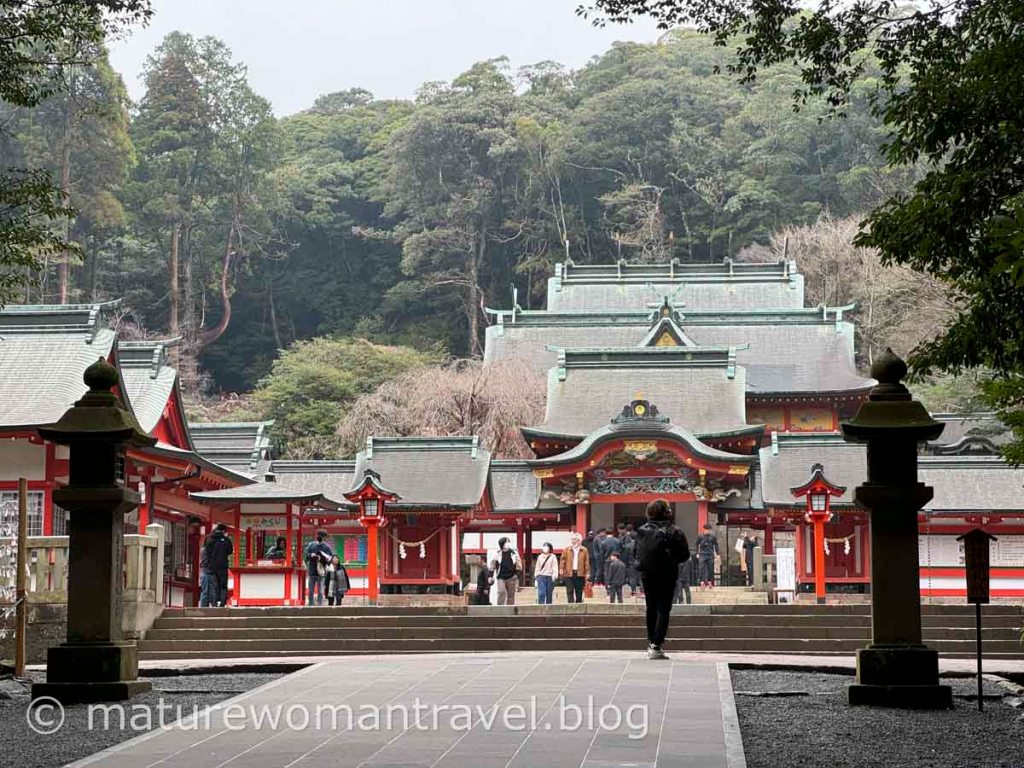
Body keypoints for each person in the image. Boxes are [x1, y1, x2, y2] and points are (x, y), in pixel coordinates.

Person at [636, 498, 689, 660]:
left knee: (650, 607)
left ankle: (651, 641)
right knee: (664, 608)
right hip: (667, 573)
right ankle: (656, 644)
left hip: (647, 574)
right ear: (666, 512)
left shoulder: (641, 530)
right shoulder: (675, 531)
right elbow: (684, 554)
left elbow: (636, 553)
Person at [200, 523, 233, 607]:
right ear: (223, 531)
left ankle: (213, 603)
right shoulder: (226, 540)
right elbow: (230, 551)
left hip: (211, 567)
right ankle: (222, 603)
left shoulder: (208, 538)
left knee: (212, 586)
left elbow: (206, 551)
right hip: (222, 566)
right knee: (223, 586)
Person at [304, 529, 333, 606]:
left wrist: (323, 557)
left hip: (321, 571)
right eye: (319, 535)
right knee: (311, 590)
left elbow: (330, 559)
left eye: (322, 536)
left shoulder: (327, 547)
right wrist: (311, 555)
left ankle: (320, 605)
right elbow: (306, 555)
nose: (319, 537)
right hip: (312, 570)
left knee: (320, 591)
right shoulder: (311, 545)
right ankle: (311, 604)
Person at [560, 532, 590, 603]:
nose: (573, 541)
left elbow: (586, 562)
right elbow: (562, 560)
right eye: (572, 539)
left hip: (580, 573)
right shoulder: (567, 550)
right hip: (569, 572)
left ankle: (578, 606)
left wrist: (587, 572)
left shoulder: (584, 550)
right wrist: (561, 568)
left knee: (579, 591)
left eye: (575, 539)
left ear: (579, 540)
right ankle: (571, 605)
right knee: (569, 590)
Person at [495, 536, 522, 605]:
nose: (508, 543)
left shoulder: (513, 553)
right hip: (501, 577)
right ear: (502, 544)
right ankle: (499, 609)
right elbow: (493, 564)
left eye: (508, 542)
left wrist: (517, 575)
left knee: (511, 595)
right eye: (506, 542)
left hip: (511, 576)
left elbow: (519, 564)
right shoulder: (498, 553)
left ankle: (510, 610)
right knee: (501, 592)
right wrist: (490, 575)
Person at [695, 523, 719, 589]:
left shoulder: (713, 537)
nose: (708, 531)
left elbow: (716, 545)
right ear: (704, 530)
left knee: (710, 568)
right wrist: (697, 553)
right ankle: (702, 581)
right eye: (707, 530)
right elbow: (697, 544)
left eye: (709, 530)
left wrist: (717, 553)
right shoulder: (700, 536)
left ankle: (710, 581)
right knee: (701, 568)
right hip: (702, 554)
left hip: (710, 554)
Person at [621, 528, 639, 597]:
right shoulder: (640, 545)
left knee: (632, 578)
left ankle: (633, 591)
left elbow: (625, 556)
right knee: (640, 577)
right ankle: (643, 591)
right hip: (639, 562)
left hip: (631, 563)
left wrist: (626, 564)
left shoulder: (628, 546)